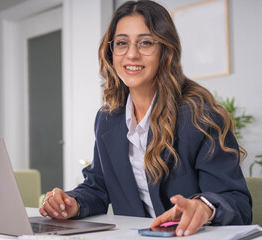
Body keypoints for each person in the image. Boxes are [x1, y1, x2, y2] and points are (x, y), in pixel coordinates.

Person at [39, 0, 252, 237]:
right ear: (111, 52)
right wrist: (72, 203)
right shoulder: (108, 119)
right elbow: (98, 186)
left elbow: (237, 203)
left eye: (146, 43)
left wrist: (204, 207)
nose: (132, 54)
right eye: (122, 43)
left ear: (165, 51)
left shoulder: (199, 117)